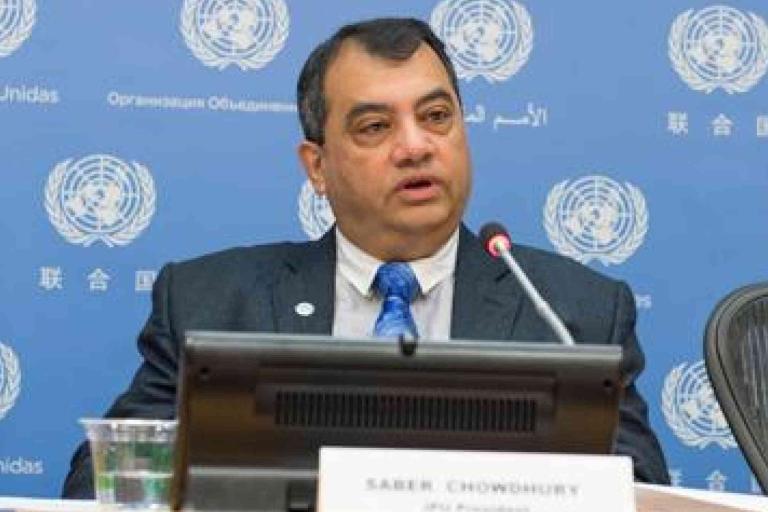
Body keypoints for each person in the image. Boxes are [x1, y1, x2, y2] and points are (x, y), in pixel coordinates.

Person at [62, 17, 669, 497]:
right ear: (318, 166)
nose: (415, 146)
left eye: (436, 117)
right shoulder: (212, 302)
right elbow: (105, 481)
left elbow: (640, 493)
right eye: (376, 127)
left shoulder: (572, 313)